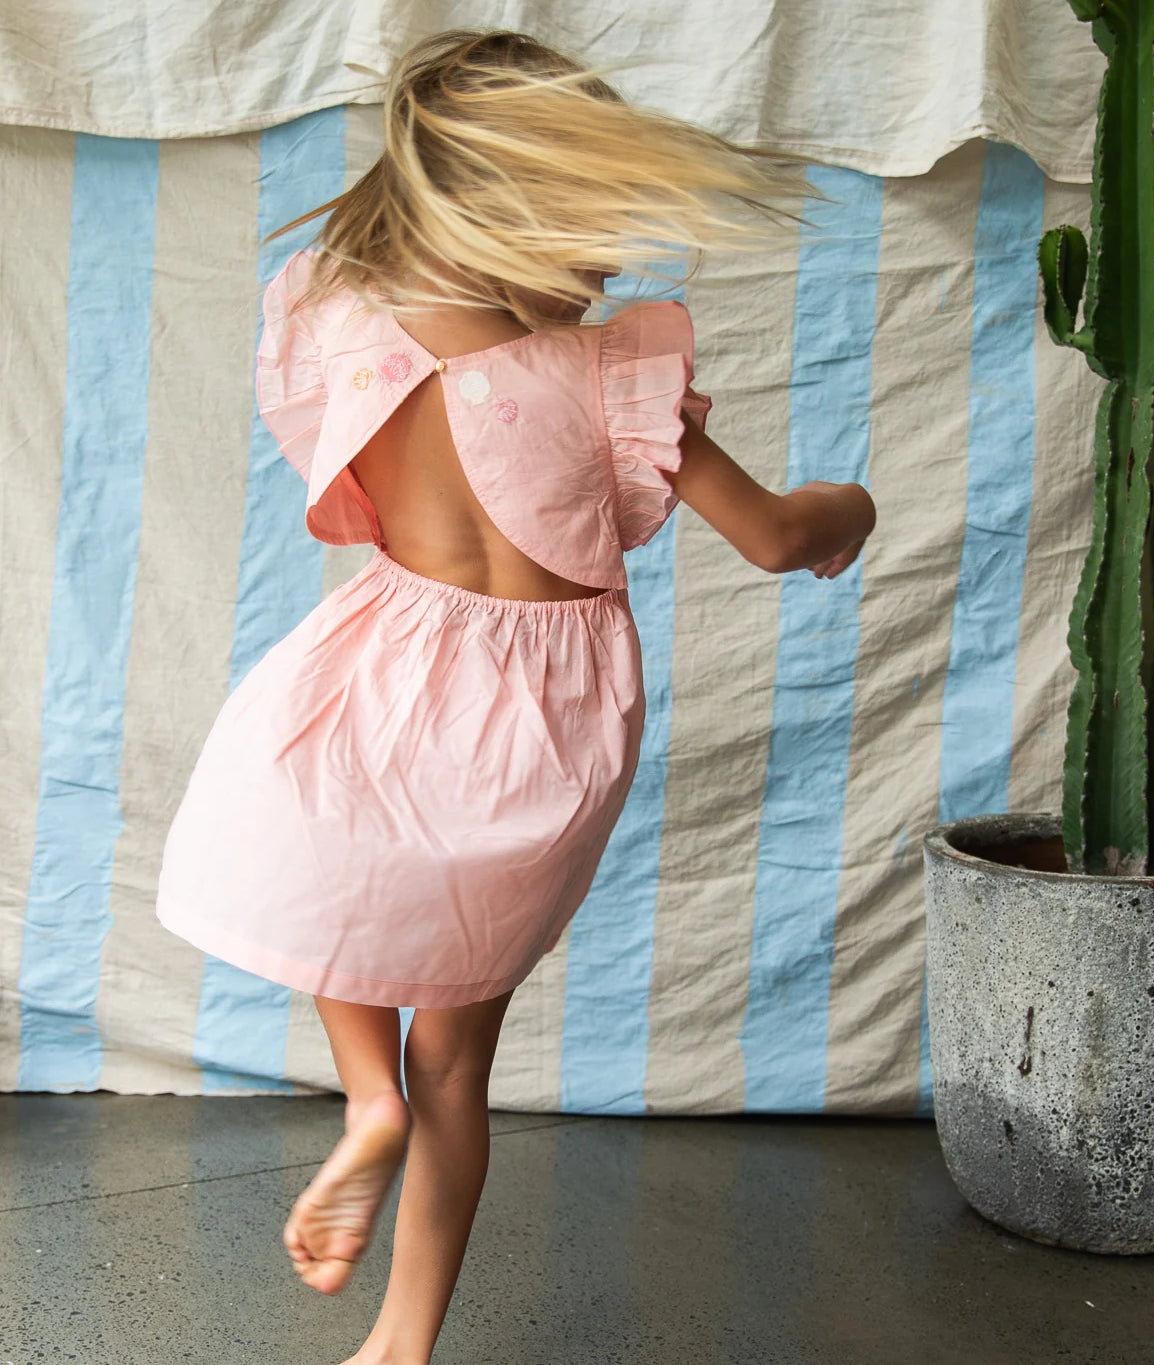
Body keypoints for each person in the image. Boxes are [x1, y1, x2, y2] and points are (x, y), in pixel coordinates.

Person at [155, 27, 876, 1365]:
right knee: (458, 1062)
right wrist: (852, 507)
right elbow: (775, 537)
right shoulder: (611, 376)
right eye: (591, 223)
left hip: (384, 664)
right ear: (526, 212)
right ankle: (400, 1339)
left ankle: (362, 1098)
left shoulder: (339, 322)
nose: (608, 259)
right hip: (543, 725)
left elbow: (343, 360)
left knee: (331, 864)